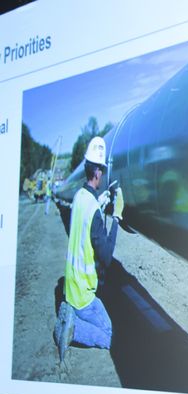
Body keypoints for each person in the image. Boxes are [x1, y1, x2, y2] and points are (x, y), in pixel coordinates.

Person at [54, 136, 125, 362]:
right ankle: (72, 328)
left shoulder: (79, 197)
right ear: (98, 173)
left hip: (70, 287)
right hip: (84, 294)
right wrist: (116, 217)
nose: (102, 175)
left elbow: (89, 214)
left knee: (100, 323)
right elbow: (105, 257)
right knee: (108, 335)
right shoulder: (92, 209)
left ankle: (71, 312)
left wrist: (102, 200)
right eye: (102, 171)